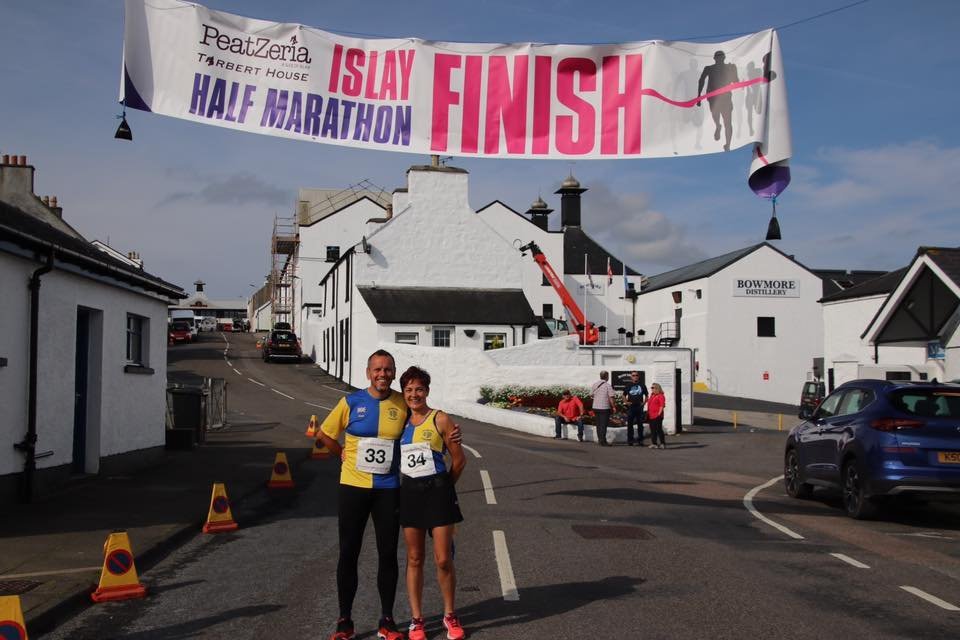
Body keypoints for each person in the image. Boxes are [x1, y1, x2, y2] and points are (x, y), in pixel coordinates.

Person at [315, 350, 410, 640]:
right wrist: (341, 453)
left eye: (388, 369)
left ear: (394, 373)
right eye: (377, 369)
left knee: (388, 555)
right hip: (353, 487)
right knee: (349, 553)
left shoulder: (402, 403)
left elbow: (423, 424)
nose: (383, 374)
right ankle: (345, 621)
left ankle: (387, 620)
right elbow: (324, 433)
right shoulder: (351, 402)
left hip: (388, 489)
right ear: (368, 373)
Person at [398, 366, 467, 640]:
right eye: (409, 390)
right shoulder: (399, 421)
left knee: (442, 559)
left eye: (419, 389)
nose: (414, 394)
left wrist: (444, 486)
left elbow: (459, 460)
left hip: (438, 493)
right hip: (410, 494)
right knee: (414, 558)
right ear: (403, 393)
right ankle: (417, 620)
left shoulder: (440, 419)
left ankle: (450, 615)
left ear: (427, 391)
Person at [696, 51, 739, 151]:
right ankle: (718, 126)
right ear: (714, 58)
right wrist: (698, 96)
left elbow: (736, 82)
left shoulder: (729, 67)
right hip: (713, 97)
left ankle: (728, 144)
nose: (719, 58)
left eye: (721, 56)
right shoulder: (709, 68)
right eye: (718, 57)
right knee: (715, 115)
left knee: (727, 122)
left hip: (726, 97)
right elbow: (701, 80)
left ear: (724, 58)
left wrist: (734, 70)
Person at [591, 371, 617, 446]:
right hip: (604, 407)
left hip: (595, 407)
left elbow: (591, 395)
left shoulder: (595, 384)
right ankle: (603, 441)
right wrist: (614, 407)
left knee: (598, 424)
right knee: (603, 425)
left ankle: (600, 440)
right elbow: (611, 397)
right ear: (607, 377)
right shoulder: (607, 386)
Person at [624, 372, 649, 446]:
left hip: (639, 407)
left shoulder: (642, 385)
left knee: (640, 425)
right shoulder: (628, 385)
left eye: (636, 375)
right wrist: (626, 402)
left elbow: (647, 395)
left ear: (638, 377)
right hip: (631, 407)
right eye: (633, 375)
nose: (635, 376)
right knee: (630, 424)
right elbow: (623, 395)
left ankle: (640, 440)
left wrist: (644, 403)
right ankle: (630, 440)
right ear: (631, 377)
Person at [647, 383, 667, 449]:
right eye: (651, 387)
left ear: (657, 388)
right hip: (651, 415)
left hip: (657, 416)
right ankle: (654, 443)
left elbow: (662, 406)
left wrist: (659, 414)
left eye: (653, 388)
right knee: (652, 430)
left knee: (659, 430)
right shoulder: (652, 395)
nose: (651, 389)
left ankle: (662, 443)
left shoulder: (661, 396)